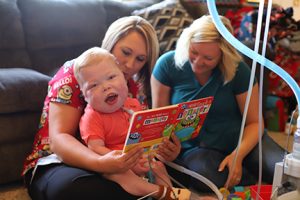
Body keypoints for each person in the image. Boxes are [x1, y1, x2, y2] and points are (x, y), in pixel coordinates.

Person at [22, 16, 161, 200]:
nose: (130, 64)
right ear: (110, 44)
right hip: (57, 162)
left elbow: (138, 139)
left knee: (154, 177)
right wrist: (102, 163)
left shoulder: (134, 86)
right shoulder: (73, 73)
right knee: (74, 190)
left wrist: (161, 151)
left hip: (117, 166)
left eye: (140, 59)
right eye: (126, 52)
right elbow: (59, 140)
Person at [151, 15, 285, 192]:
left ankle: (248, 175)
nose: (198, 62)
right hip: (196, 149)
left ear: (223, 55)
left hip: (243, 141)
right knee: (207, 178)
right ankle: (250, 179)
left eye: (208, 58)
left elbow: (255, 122)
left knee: (286, 169)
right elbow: (159, 121)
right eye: (194, 52)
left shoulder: (238, 70)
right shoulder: (167, 65)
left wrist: (237, 155)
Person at [74, 47, 191, 199]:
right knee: (123, 174)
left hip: (141, 156)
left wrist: (154, 151)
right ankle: (157, 192)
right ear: (84, 96)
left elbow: (147, 134)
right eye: (93, 85)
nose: (105, 86)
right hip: (114, 163)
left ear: (124, 78)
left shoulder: (134, 105)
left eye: (111, 77)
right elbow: (96, 148)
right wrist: (123, 160)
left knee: (159, 167)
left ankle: (171, 194)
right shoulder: (92, 117)